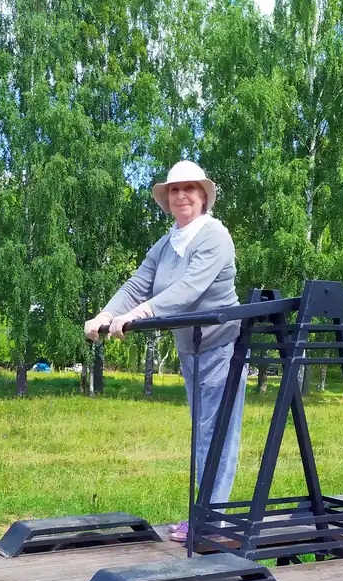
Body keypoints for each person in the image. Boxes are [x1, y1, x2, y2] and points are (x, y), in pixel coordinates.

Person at [84, 160, 248, 542]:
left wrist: (140, 314)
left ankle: (211, 521)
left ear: (203, 196)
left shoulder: (214, 237)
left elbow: (189, 289)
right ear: (167, 199)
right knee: (202, 434)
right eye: (174, 190)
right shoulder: (168, 243)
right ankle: (204, 516)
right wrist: (107, 313)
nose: (181, 195)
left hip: (222, 347)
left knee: (216, 434)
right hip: (191, 349)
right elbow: (139, 282)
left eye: (189, 188)